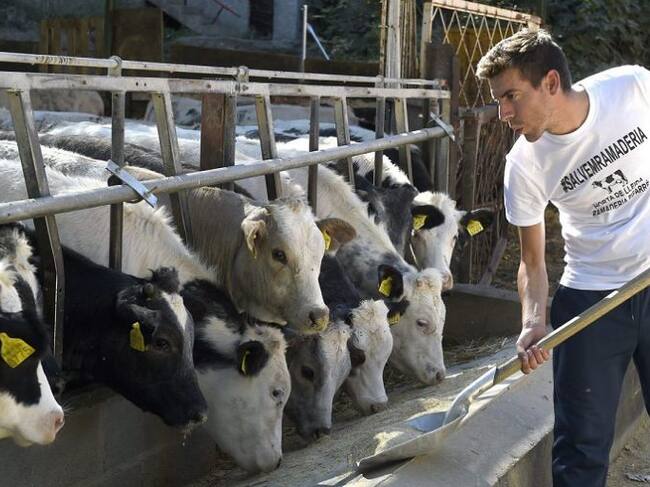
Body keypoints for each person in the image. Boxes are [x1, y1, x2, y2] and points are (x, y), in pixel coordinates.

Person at [476, 28, 650, 486]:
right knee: (581, 448)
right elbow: (532, 262)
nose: (503, 113)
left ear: (550, 82)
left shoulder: (633, 88)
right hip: (591, 301)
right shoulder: (524, 165)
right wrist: (533, 320)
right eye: (499, 100)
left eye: (511, 96)